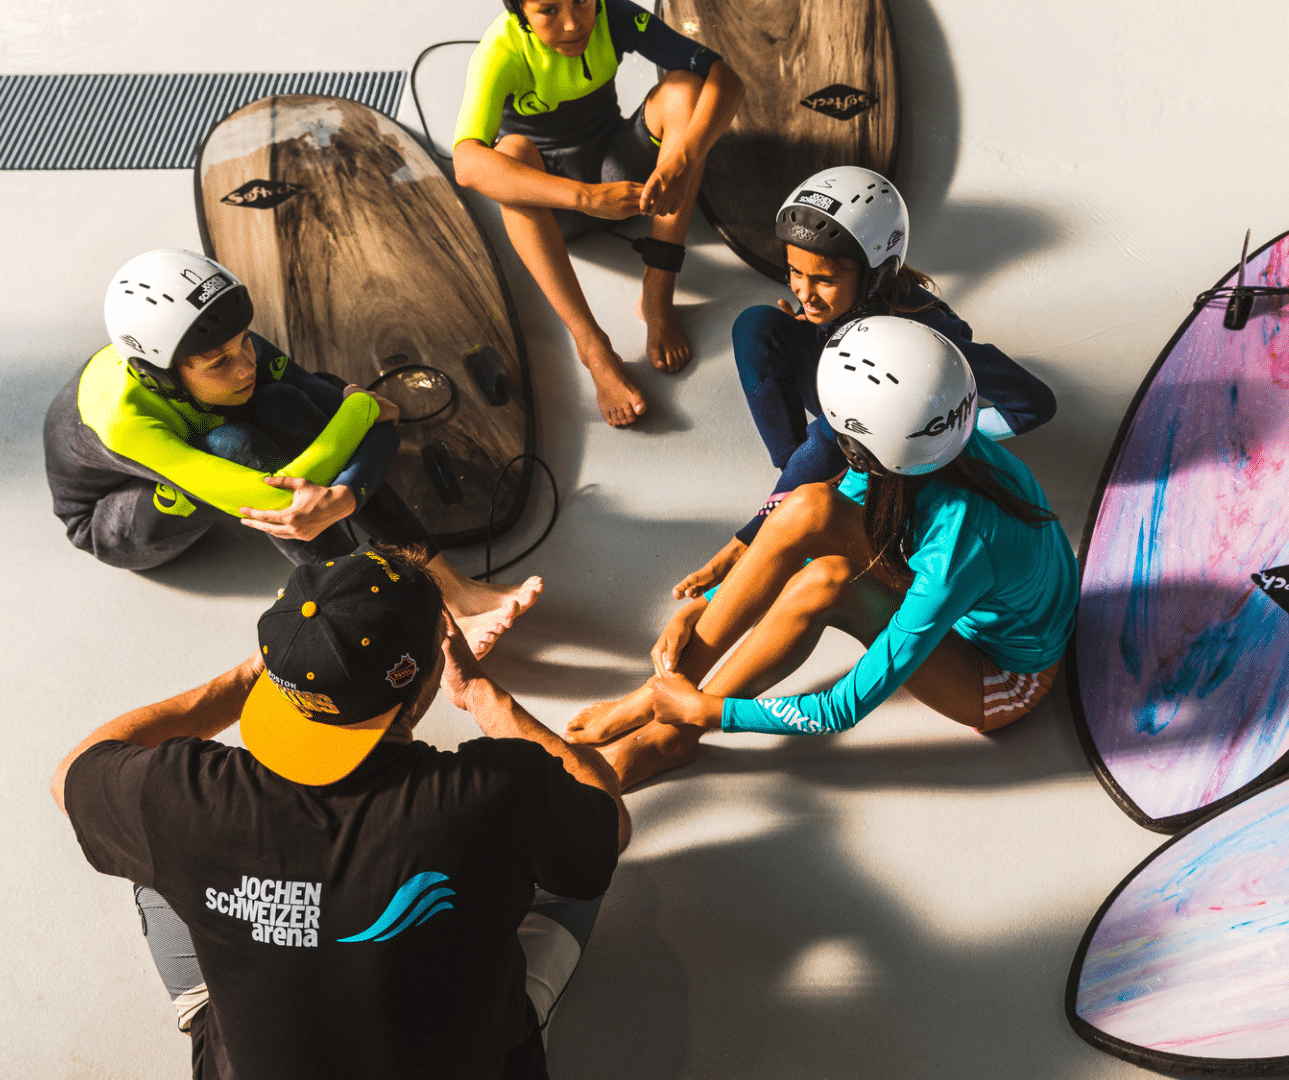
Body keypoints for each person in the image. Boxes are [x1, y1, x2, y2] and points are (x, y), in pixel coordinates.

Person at [53, 542, 629, 1079]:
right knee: (572, 848)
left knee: (151, 854)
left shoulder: (184, 796)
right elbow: (608, 821)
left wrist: (255, 673)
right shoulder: (494, 793)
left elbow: (73, 772)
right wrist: (480, 692)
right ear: (428, 670)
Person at [568, 318, 1079, 788]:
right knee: (808, 505)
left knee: (826, 584)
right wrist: (707, 606)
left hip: (1005, 678)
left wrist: (712, 713)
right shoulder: (927, 446)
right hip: (973, 596)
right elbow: (810, 525)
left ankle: (672, 734)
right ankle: (654, 694)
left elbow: (843, 707)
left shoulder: (959, 545)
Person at [43, 248, 539, 655]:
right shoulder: (122, 422)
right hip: (119, 517)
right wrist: (357, 417)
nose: (243, 367)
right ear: (161, 373)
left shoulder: (225, 343)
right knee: (235, 445)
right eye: (218, 362)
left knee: (283, 400)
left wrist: (346, 491)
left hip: (208, 445)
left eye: (245, 345)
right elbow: (278, 501)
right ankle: (415, 616)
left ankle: (451, 584)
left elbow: (383, 424)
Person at [671, 166, 1057, 601]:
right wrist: (818, 326)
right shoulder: (832, 303)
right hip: (844, 413)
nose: (804, 292)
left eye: (824, 280)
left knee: (832, 432)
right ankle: (802, 480)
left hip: (887, 427)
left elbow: (1034, 405)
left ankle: (752, 536)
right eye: (795, 272)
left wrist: (949, 436)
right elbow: (801, 324)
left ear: (876, 275)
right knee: (757, 324)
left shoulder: (926, 330)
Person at [450, 0, 745, 427]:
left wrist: (682, 159)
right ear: (519, 13)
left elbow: (726, 78)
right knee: (509, 152)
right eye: (548, 11)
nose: (572, 24)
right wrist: (586, 198)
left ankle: (658, 293)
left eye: (582, 2)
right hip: (557, 204)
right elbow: (466, 165)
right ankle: (592, 347)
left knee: (682, 88)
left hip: (623, 177)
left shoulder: (615, 16)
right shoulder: (500, 51)